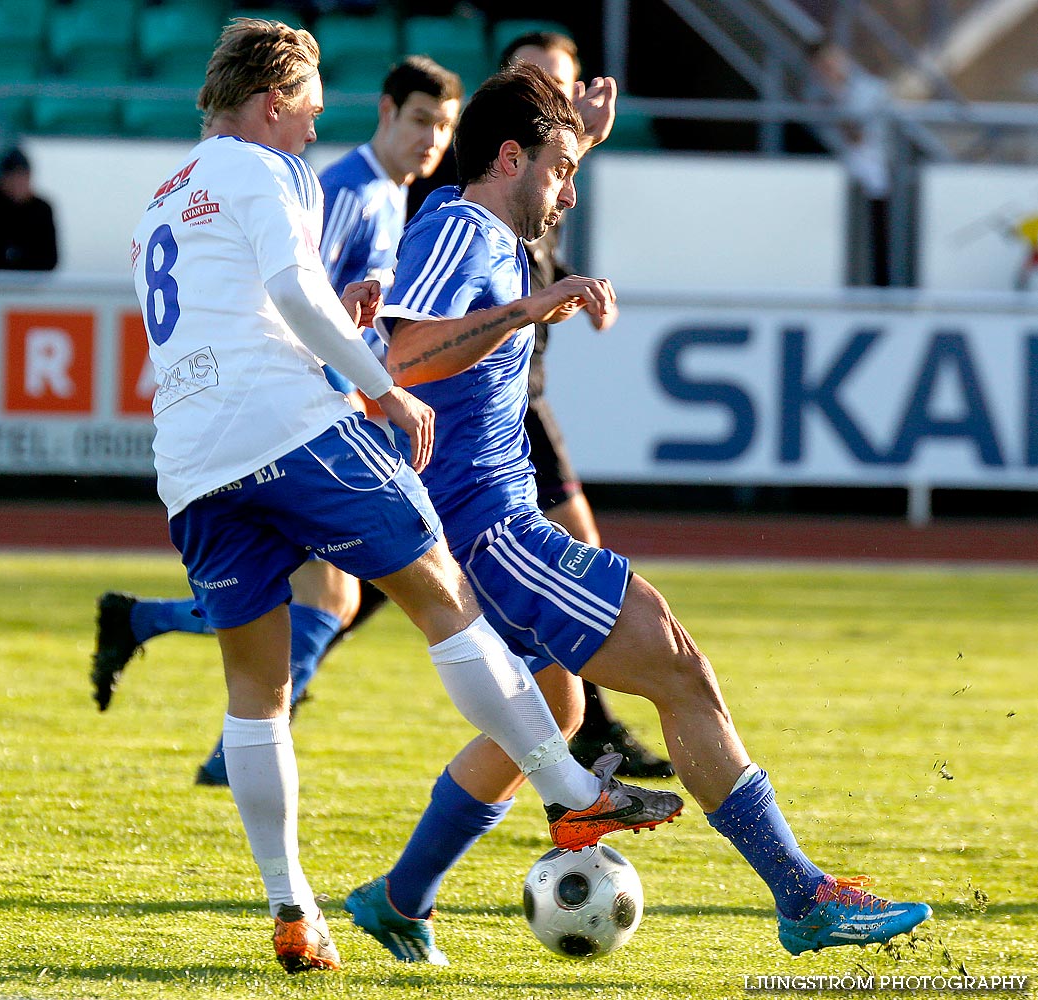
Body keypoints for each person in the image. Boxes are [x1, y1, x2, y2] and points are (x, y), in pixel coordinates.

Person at [342, 63, 932, 965]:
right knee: (678, 668)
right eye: (562, 173)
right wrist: (531, 306)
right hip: (492, 532)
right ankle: (803, 897)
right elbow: (406, 357)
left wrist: (570, 135)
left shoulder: (486, 221)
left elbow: (505, 223)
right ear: (508, 157)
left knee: (549, 707)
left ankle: (397, 898)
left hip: (470, 527)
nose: (569, 195)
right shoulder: (463, 227)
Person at [129, 18, 681, 974]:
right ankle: (564, 786)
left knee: (255, 698)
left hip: (189, 461)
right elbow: (295, 293)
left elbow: (232, 318)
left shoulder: (157, 204)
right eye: (303, 111)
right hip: (286, 430)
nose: (309, 130)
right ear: (269, 105)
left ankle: (292, 908)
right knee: (443, 594)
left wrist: (325, 338)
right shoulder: (260, 170)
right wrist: (377, 383)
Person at [91, 55, 463, 787]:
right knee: (347, 592)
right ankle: (235, 740)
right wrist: (366, 378)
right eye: (421, 120)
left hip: (274, 416)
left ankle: (171, 655)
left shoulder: (383, 194)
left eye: (444, 128)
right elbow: (287, 293)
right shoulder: (340, 187)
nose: (432, 140)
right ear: (386, 113)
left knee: (320, 595)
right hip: (297, 417)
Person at [499, 30, 672, 779]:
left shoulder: (539, 166)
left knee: (398, 581)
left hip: (524, 393)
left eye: (563, 84)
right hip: (502, 401)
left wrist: (569, 285)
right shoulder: (495, 161)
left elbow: (533, 244)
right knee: (581, 561)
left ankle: (586, 725)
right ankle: (588, 729)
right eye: (539, 80)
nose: (556, 96)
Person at [807, 41, 894, 287]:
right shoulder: (814, 96)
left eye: (833, 61)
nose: (830, 68)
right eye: (823, 65)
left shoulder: (869, 89)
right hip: (836, 179)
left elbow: (862, 135)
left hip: (875, 174)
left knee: (878, 235)